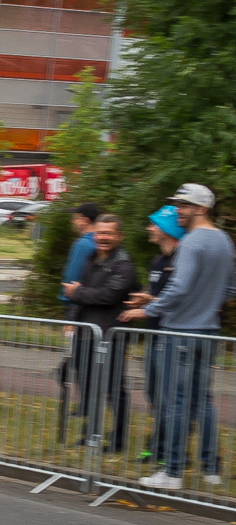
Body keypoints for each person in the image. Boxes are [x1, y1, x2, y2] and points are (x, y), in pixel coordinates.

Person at [121, 184, 236, 490]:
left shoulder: (191, 243)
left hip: (180, 331)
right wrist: (207, 306)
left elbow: (180, 287)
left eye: (183, 206)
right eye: (177, 204)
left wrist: (150, 310)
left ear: (201, 209)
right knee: (203, 401)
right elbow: (230, 290)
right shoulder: (224, 241)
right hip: (209, 332)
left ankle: (171, 472)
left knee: (175, 403)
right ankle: (211, 468)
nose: (177, 211)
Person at [62, 214, 139, 451]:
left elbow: (109, 295)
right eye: (100, 233)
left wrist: (79, 293)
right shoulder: (91, 258)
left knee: (114, 388)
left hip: (111, 335)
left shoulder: (124, 264)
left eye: (109, 233)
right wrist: (72, 321)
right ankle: (92, 434)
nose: (103, 238)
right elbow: (79, 296)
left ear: (119, 236)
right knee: (90, 386)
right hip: (87, 332)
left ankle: (118, 439)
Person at [138, 205, 185, 464]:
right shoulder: (157, 261)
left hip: (174, 338)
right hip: (154, 337)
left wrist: (150, 301)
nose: (149, 228)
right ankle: (158, 443)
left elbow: (178, 299)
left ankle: (173, 452)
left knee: (172, 398)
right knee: (154, 394)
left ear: (167, 229)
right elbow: (158, 297)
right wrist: (145, 300)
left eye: (154, 224)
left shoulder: (182, 260)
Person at [60, 203, 100, 304]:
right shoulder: (101, 242)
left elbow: (73, 274)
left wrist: (66, 299)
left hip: (76, 301)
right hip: (92, 300)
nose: (72, 221)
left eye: (75, 218)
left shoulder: (83, 244)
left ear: (85, 220)